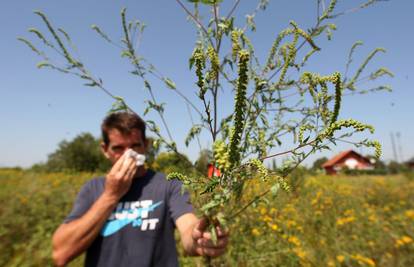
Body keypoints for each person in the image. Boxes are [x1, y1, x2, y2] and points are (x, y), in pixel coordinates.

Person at [52, 112, 228, 266]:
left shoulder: (168, 185)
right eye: (118, 148)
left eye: (135, 146)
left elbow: (188, 227)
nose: (129, 155)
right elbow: (61, 254)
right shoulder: (93, 189)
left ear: (146, 145)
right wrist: (111, 195)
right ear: (105, 150)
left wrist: (198, 240)